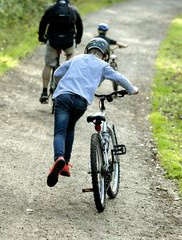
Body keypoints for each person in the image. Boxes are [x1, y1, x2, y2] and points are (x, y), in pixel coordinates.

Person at [47, 38, 139, 187]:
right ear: (105, 55)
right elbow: (119, 78)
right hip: (80, 102)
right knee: (70, 128)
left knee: (60, 131)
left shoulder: (76, 58)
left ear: (88, 50)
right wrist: (132, 89)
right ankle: (66, 163)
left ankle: (59, 158)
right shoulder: (103, 65)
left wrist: (60, 86)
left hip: (63, 97)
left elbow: (57, 73)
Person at [38, 0, 83, 104]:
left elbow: (43, 23)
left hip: (53, 40)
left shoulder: (51, 9)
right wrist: (78, 39)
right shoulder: (73, 10)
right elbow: (79, 26)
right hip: (68, 41)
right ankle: (66, 87)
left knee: (48, 64)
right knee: (70, 58)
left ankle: (44, 92)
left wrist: (41, 37)